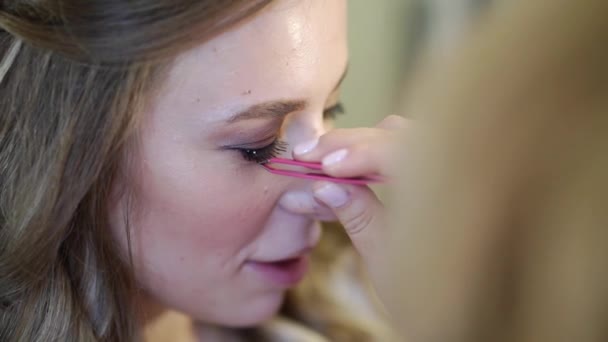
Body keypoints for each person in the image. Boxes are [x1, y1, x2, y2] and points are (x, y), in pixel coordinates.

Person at [0, 1, 402, 341]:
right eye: (256, 145)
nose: (327, 199)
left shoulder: (370, 289)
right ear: (76, 151)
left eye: (333, 109)